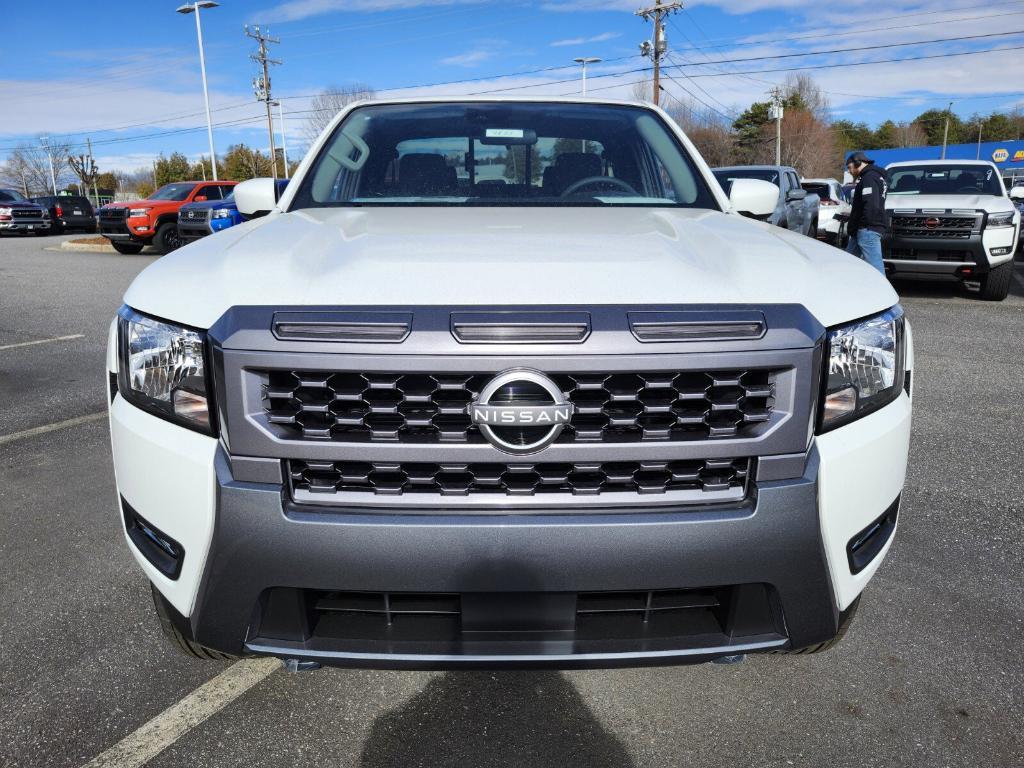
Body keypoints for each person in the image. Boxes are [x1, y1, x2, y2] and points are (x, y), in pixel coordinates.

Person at [844, 151, 888, 274]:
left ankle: (882, 292)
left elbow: (871, 205)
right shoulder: (874, 177)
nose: (849, 171)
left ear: (857, 163)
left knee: (876, 269)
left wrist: (864, 225)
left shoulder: (869, 178)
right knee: (847, 263)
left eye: (849, 167)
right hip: (862, 229)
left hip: (867, 230)